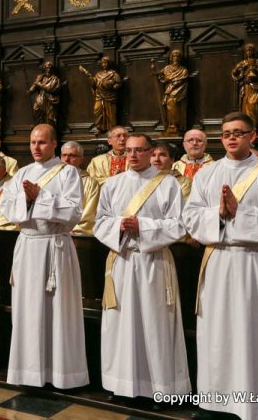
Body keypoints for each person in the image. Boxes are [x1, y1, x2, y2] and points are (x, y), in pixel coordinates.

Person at [182, 112, 258, 420]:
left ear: (252, 136)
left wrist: (239, 213)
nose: (231, 138)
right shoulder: (207, 174)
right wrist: (219, 215)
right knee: (219, 332)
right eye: (226, 134)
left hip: (257, 263)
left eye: (238, 133)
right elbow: (191, 217)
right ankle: (217, 402)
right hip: (219, 261)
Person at [94, 133, 190, 401]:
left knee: (155, 325)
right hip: (122, 260)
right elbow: (99, 222)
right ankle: (123, 386)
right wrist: (119, 225)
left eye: (139, 150)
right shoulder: (113, 184)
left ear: (150, 152)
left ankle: (159, 390)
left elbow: (179, 224)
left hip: (154, 262)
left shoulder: (168, 184)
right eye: (128, 150)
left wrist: (143, 226)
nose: (133, 155)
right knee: (121, 324)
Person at [0, 124, 89, 388]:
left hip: (54, 246)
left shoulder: (68, 173)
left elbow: (74, 212)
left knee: (58, 310)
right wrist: (27, 201)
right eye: (32, 142)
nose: (36, 147)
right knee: (27, 309)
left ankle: (61, 374)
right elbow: (7, 208)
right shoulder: (23, 173)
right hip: (28, 245)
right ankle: (29, 372)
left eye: (41, 142)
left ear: (54, 144)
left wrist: (40, 196)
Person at [61, 141, 100, 236]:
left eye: (72, 156)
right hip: (53, 232)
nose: (66, 159)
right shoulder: (54, 179)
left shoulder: (91, 183)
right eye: (64, 155)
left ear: (81, 159)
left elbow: (89, 214)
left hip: (75, 234)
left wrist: (76, 230)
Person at [152, 50, 191, 135]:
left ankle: (176, 125)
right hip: (168, 90)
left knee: (173, 103)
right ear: (171, 57)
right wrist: (156, 74)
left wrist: (171, 88)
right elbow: (161, 76)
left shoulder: (183, 70)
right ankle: (171, 124)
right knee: (169, 105)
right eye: (174, 56)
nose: (175, 58)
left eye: (177, 56)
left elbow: (180, 81)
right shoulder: (167, 68)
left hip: (178, 90)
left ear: (180, 58)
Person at [80, 57, 123, 134]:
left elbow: (118, 83)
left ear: (109, 64)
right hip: (99, 95)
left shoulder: (113, 74)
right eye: (103, 63)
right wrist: (87, 75)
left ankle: (111, 130)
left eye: (105, 63)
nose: (104, 64)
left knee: (110, 113)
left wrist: (111, 85)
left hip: (109, 96)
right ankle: (100, 128)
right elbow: (94, 84)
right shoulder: (98, 74)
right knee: (97, 111)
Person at [231, 43, 258, 129]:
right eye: (247, 50)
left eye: (251, 50)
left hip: (256, 87)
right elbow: (234, 73)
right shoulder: (242, 63)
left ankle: (255, 126)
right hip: (246, 88)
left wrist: (256, 70)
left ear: (254, 51)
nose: (249, 52)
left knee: (254, 105)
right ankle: (248, 127)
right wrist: (240, 71)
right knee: (245, 107)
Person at [27, 61, 61, 127]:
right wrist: (30, 90)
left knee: (50, 118)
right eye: (47, 67)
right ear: (44, 68)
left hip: (50, 100)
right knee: (37, 111)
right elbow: (34, 85)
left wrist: (39, 84)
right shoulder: (40, 77)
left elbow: (50, 88)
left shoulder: (55, 79)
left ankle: (49, 131)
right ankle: (39, 129)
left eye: (50, 67)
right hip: (40, 99)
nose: (49, 69)